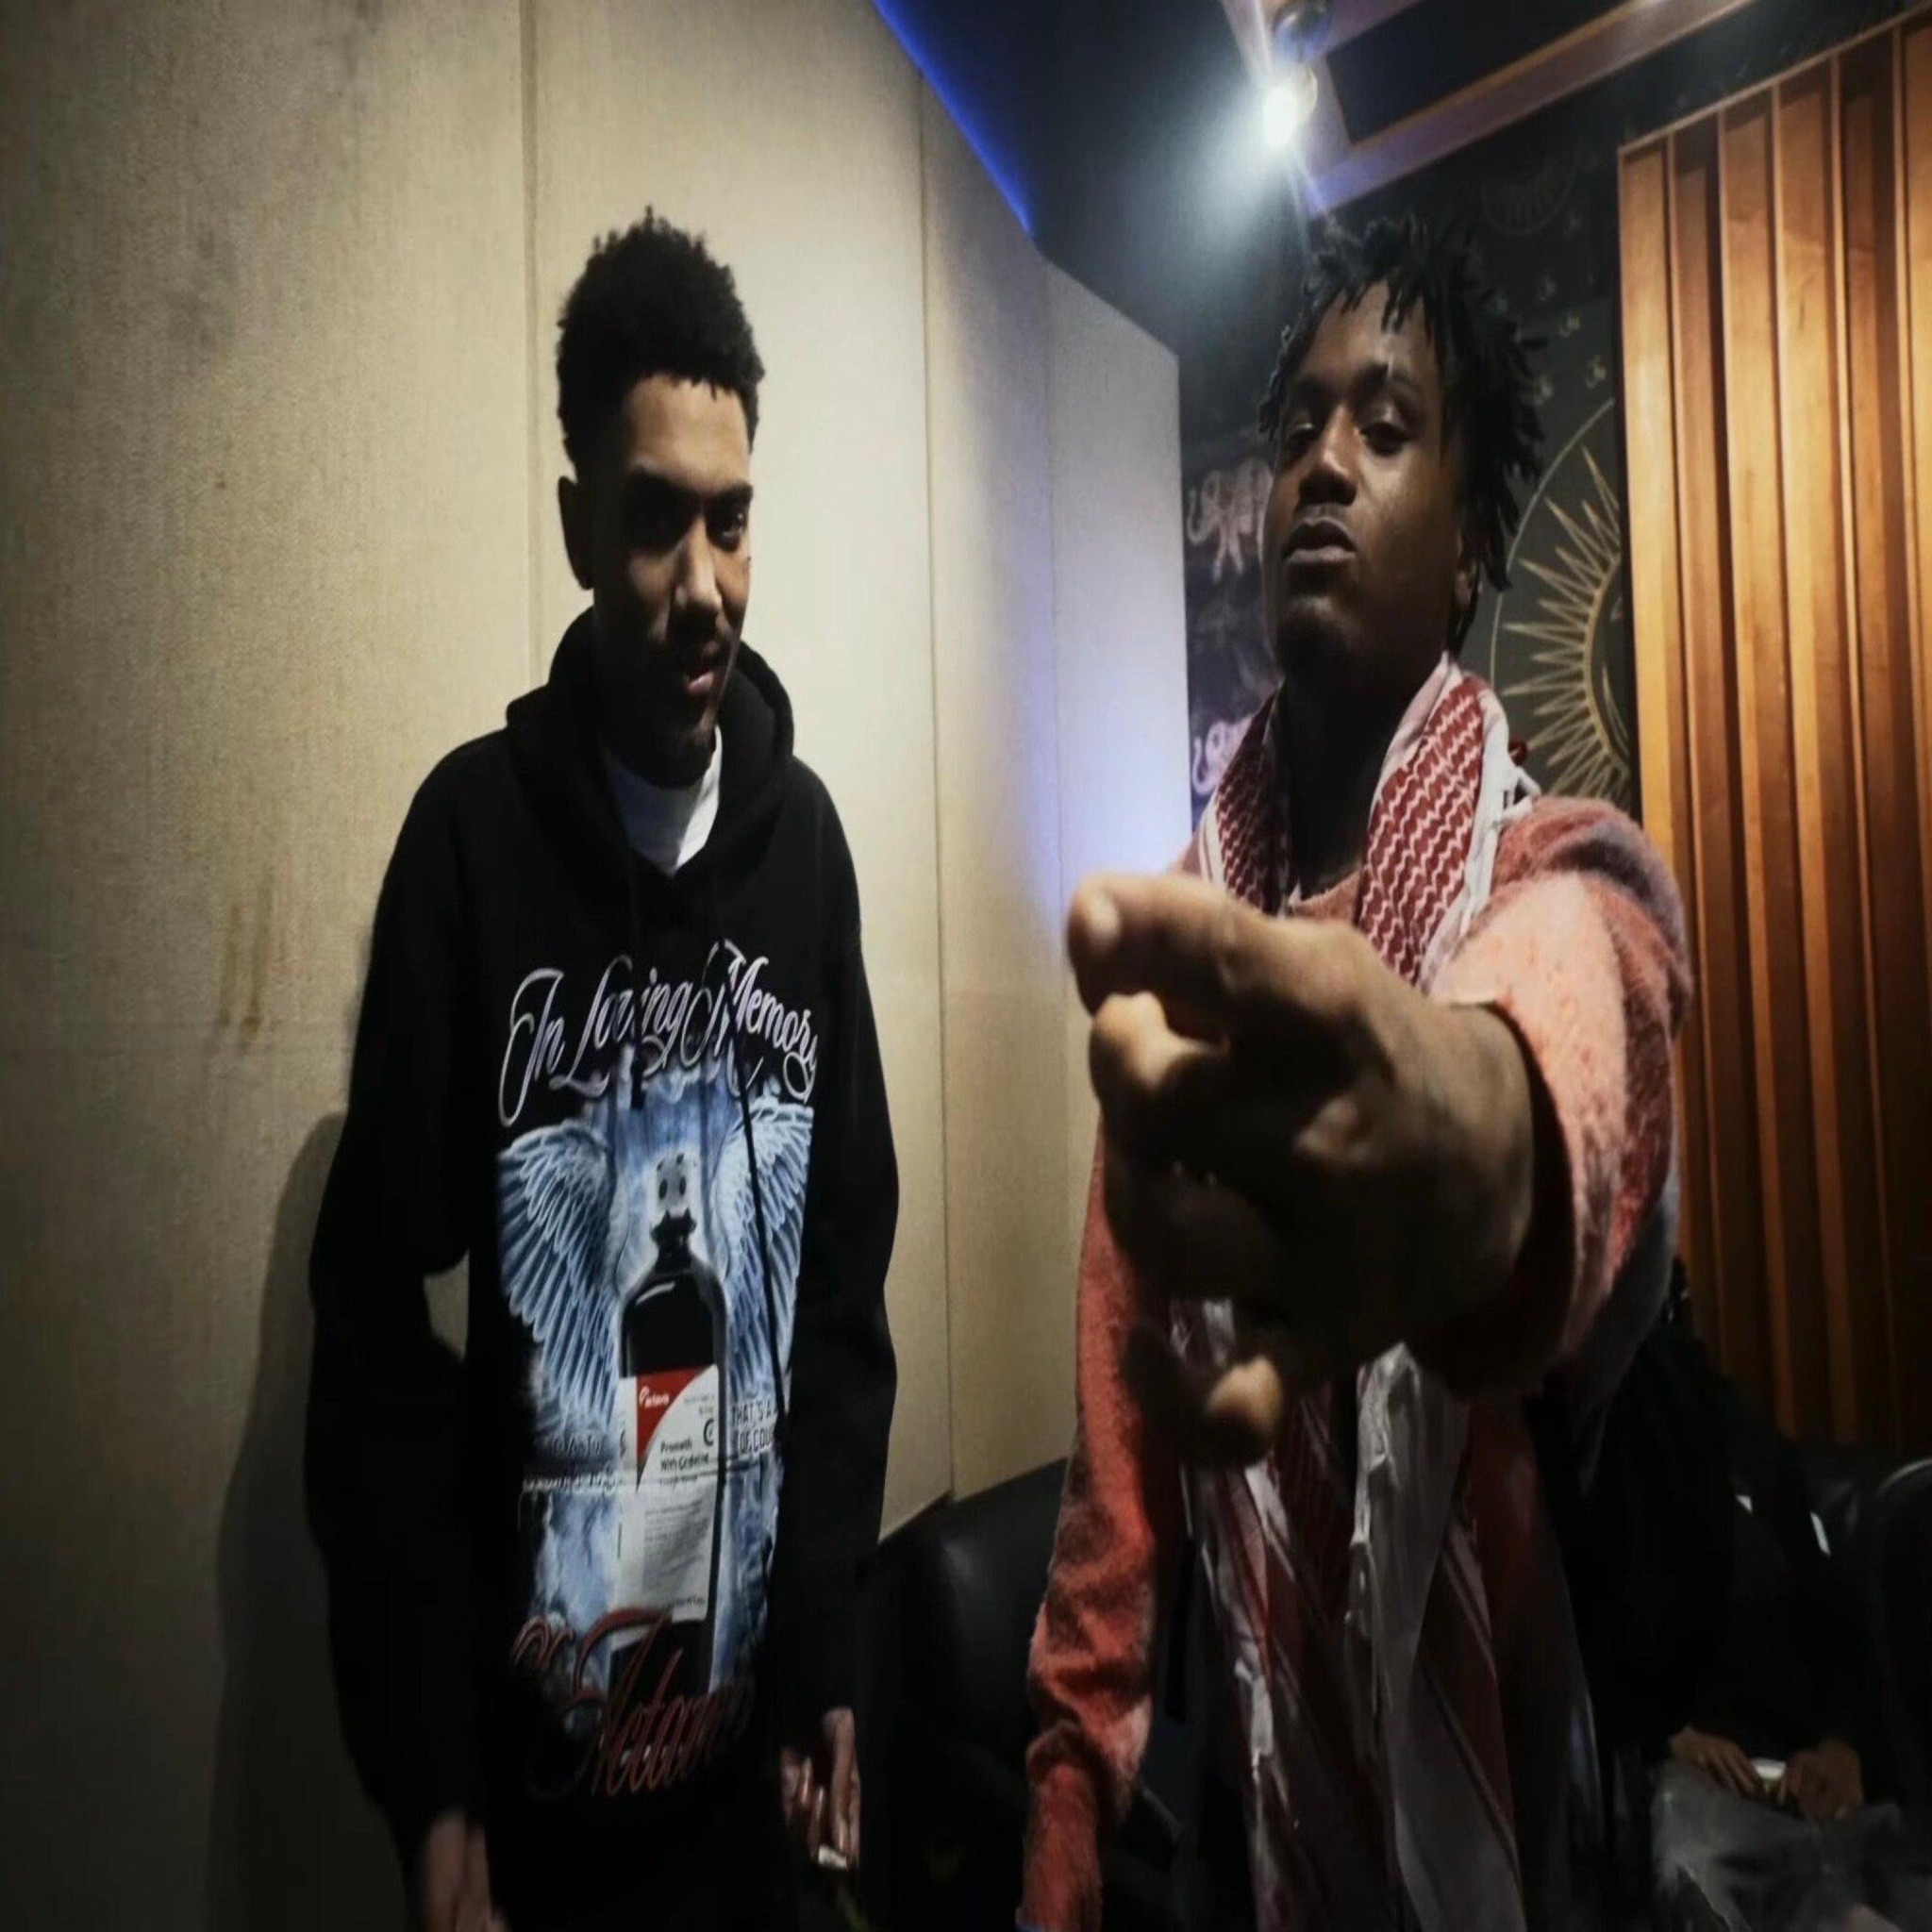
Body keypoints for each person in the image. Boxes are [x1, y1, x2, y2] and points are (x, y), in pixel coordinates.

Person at [1022, 214, 1690, 1931]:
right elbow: (1117, 1488)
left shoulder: (1537, 864)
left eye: (1385, 427)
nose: (1321, 463)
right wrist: (1063, 1833)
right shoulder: (1190, 970)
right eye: (1298, 427)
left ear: (1467, 551)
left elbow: (1596, 968)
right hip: (1258, 1850)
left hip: (1511, 1843)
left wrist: (1488, 1115)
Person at [307, 211, 898, 1932]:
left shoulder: (806, 854)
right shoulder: (470, 844)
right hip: (536, 1820)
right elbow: (376, 1343)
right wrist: (432, 1777)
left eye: (732, 520)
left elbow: (839, 1292)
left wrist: (827, 1646)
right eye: (653, 520)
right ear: (578, 526)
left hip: (754, 1801)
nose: (702, 581)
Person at [1645, 1330, 1932, 1930]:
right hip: (1698, 1788)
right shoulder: (1611, 1480)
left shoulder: (1752, 1455)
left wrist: (1844, 1742)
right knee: (1698, 1854)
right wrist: (1669, 1737)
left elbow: (1841, 1622)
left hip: (1816, 1781)